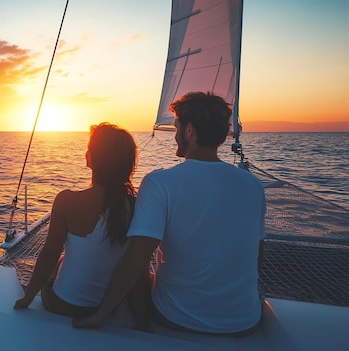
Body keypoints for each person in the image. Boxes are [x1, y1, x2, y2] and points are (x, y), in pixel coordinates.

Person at [74, 92, 267, 335]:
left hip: (178, 318)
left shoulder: (160, 183)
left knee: (142, 274)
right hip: (245, 320)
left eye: (176, 127)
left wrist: (100, 313)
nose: (174, 135)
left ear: (189, 131)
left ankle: (142, 330)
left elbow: (136, 257)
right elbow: (258, 252)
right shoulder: (252, 185)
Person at [13, 122, 138, 317]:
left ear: (91, 159)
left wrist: (27, 298)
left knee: (59, 258)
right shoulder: (137, 206)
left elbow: (49, 253)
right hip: (108, 310)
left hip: (62, 304)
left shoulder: (66, 201)